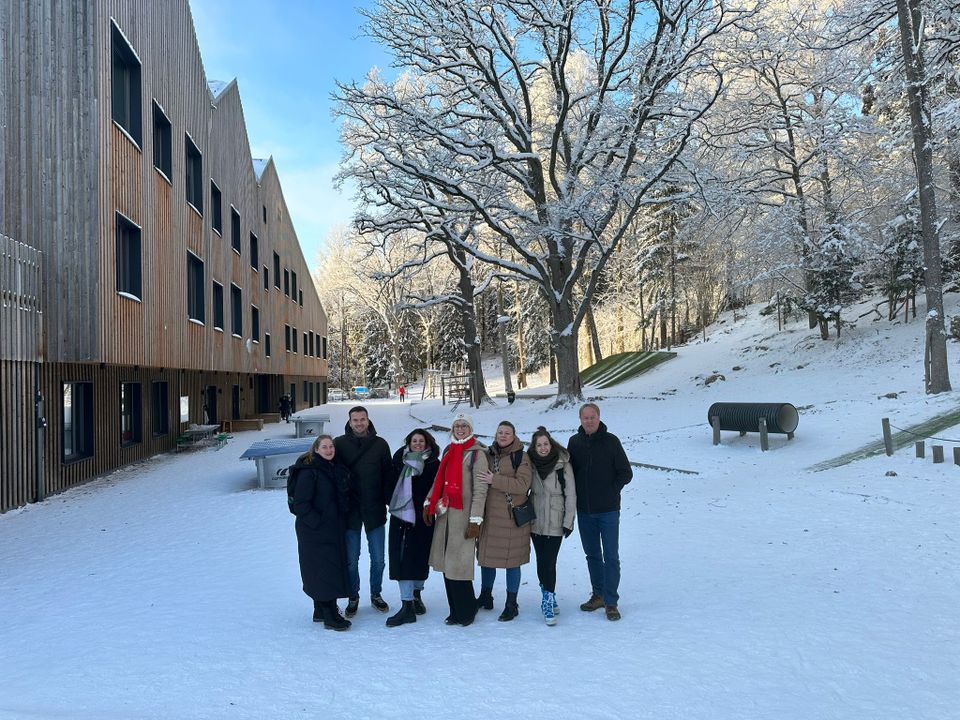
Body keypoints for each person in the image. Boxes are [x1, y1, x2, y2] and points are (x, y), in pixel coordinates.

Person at [566, 403, 632, 621]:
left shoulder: (611, 441)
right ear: (580, 419)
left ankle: (611, 601)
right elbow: (568, 472)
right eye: (585, 418)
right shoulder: (574, 443)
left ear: (599, 417)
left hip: (608, 511)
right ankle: (598, 595)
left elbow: (626, 473)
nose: (589, 421)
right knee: (592, 555)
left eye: (592, 417)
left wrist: (610, 490)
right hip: (585, 511)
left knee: (611, 557)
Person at [423, 413, 489, 626]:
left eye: (464, 425)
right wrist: (429, 502)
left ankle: (467, 610)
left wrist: (475, 519)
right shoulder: (450, 451)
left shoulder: (477, 454)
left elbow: (480, 490)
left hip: (464, 516)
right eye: (457, 425)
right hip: (446, 515)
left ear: (471, 428)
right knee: (447, 565)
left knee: (460, 565)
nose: (460, 428)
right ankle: (454, 610)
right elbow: (439, 480)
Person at [335, 406, 394, 616]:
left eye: (362, 419)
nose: (359, 423)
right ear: (349, 422)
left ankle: (376, 594)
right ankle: (353, 596)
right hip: (350, 510)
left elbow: (388, 476)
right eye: (355, 420)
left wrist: (391, 502)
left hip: (374, 508)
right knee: (351, 559)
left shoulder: (380, 445)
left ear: (368, 421)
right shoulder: (339, 444)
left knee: (378, 558)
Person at [289, 434, 352, 631]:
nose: (329, 450)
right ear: (316, 449)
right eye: (324, 447)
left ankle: (320, 609)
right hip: (314, 531)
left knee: (323, 570)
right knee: (323, 571)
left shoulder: (330, 468)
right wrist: (318, 523)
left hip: (329, 529)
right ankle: (330, 615)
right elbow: (301, 504)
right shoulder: (310, 471)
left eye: (331, 447)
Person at [476, 420, 533, 622]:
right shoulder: (487, 454)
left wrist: (495, 480)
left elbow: (523, 484)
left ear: (514, 435)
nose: (502, 436)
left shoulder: (521, 457)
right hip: (490, 516)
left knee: (512, 561)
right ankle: (485, 596)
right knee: (486, 559)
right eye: (500, 432)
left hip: (511, 518)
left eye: (507, 433)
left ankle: (511, 603)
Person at [384, 428, 440, 627]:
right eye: (414, 441)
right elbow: (388, 484)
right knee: (402, 559)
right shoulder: (399, 460)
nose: (418, 444)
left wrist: (429, 506)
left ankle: (417, 595)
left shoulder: (434, 464)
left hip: (424, 518)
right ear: (409, 442)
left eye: (421, 441)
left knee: (420, 558)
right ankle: (407, 605)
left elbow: (438, 488)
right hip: (402, 517)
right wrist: (394, 501)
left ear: (427, 443)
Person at [527, 426, 577, 626]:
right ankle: (548, 593)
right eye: (539, 445)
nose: (543, 448)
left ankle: (547, 600)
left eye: (545, 444)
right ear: (534, 447)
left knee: (550, 562)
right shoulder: (529, 463)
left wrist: (568, 521)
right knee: (541, 561)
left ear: (551, 444)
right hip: (536, 519)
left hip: (556, 518)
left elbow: (571, 494)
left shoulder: (562, 463)